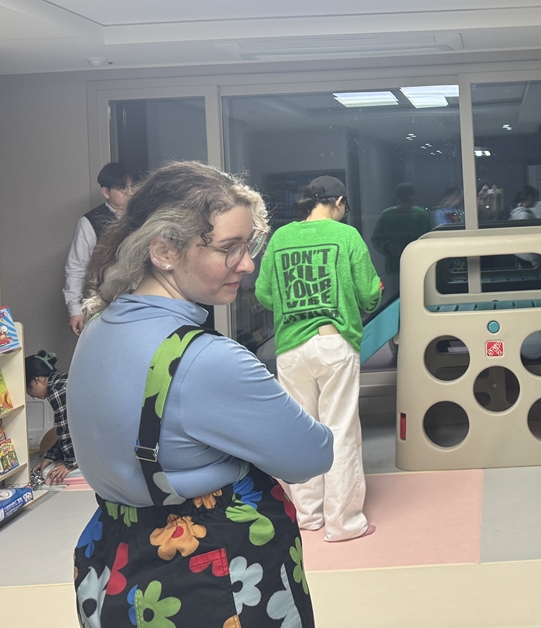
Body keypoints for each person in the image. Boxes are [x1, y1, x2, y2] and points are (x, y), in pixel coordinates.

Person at [69, 161, 333, 628]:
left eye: (249, 245)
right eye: (229, 248)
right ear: (164, 251)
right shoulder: (206, 360)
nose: (247, 264)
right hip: (213, 577)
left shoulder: (97, 328)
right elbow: (311, 455)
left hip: (117, 561)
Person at [256, 176, 382, 542]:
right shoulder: (346, 236)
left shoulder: (280, 238)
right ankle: (344, 523)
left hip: (290, 349)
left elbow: (265, 294)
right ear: (339, 202)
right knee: (340, 431)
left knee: (302, 432)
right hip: (333, 344)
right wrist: (375, 291)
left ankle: (307, 515)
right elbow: (367, 294)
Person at [64, 161, 134, 336]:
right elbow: (76, 267)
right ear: (106, 192)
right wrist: (74, 309)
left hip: (140, 299)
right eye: (122, 189)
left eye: (131, 187)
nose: (129, 192)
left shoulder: (142, 217)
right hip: (105, 302)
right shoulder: (90, 222)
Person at [25, 350, 75, 485]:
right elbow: (63, 431)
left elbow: (65, 431)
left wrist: (70, 464)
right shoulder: (62, 381)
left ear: (36, 381)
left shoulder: (57, 392)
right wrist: (49, 457)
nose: (33, 396)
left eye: (29, 392)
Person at [370, 182, 432, 279]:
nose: (406, 204)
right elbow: (376, 239)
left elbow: (430, 239)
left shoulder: (421, 214)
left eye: (408, 201)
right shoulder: (387, 215)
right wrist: (388, 247)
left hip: (418, 265)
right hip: (395, 266)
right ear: (396, 199)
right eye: (404, 200)